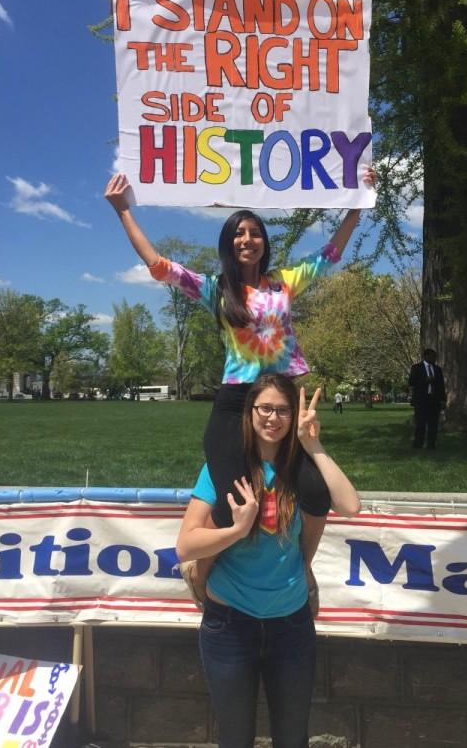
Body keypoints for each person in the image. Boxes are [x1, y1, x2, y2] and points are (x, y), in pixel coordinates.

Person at [105, 168, 374, 603]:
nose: (247, 239)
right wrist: (123, 212)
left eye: (254, 232)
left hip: (280, 403)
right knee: (232, 498)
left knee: (314, 492)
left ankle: (302, 570)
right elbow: (159, 267)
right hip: (234, 405)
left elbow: (330, 253)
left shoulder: (284, 284)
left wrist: (358, 204)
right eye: (238, 233)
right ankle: (201, 571)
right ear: (229, 243)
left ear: (264, 242)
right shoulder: (217, 289)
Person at [176, 374, 360, 748]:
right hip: (229, 625)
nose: (273, 419)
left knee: (293, 738)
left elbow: (350, 506)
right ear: (249, 412)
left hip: (290, 626)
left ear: (293, 416)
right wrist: (236, 530)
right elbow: (186, 546)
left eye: (283, 411)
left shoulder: (303, 470)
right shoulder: (225, 469)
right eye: (265, 409)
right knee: (236, 738)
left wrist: (314, 443)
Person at [408, 348, 446, 451]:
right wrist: (425, 381)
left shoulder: (437, 369)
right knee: (420, 423)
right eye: (433, 356)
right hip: (421, 400)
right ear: (426, 356)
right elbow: (411, 382)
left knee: (433, 424)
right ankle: (418, 444)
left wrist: (443, 400)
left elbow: (441, 386)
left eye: (435, 357)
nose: (434, 359)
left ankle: (431, 445)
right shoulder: (416, 368)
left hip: (434, 400)